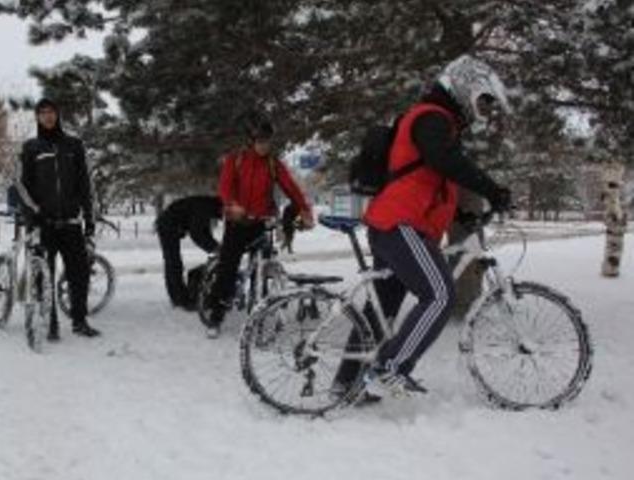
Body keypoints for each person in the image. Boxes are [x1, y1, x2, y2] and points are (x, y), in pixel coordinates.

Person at [332, 55, 514, 398]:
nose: (484, 110)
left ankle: (346, 384)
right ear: (464, 86)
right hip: (401, 224)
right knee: (440, 294)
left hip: (395, 223)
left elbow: (432, 181)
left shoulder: (438, 121)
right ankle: (391, 368)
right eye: (483, 100)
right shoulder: (432, 117)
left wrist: (462, 217)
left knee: (380, 310)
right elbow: (444, 162)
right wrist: (492, 190)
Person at [204, 113, 314, 338]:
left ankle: (261, 310)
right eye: (261, 141)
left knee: (264, 267)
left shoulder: (273, 164)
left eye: (268, 141)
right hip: (238, 222)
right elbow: (225, 188)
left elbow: (290, 187)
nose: (265, 145)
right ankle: (216, 315)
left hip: (262, 222)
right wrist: (232, 205)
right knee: (228, 268)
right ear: (251, 141)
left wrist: (304, 209)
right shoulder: (236, 159)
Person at [16, 98, 100, 340]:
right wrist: (33, 214)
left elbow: (85, 184)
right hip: (45, 224)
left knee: (80, 274)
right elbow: (22, 186)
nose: (48, 116)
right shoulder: (31, 147)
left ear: (58, 114)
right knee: (45, 277)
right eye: (42, 113)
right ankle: (50, 324)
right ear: (37, 117)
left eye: (51, 111)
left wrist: (89, 218)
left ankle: (80, 320)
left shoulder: (74, 145)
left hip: (71, 222)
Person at [155, 195, 222, 310]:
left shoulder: (205, 205)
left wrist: (216, 247)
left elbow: (203, 231)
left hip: (171, 224)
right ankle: (178, 298)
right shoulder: (204, 208)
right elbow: (197, 234)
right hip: (168, 226)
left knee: (173, 262)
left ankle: (179, 297)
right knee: (173, 263)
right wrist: (216, 249)